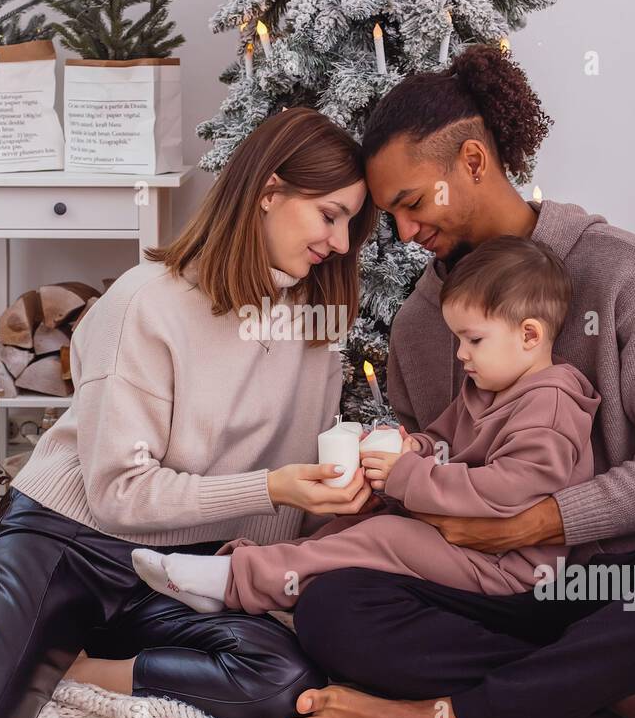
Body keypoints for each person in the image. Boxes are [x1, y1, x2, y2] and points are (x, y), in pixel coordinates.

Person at [0, 107, 377, 718]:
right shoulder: (149, 302)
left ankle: (68, 666)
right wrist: (274, 486)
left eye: (352, 224)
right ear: (270, 193)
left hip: (183, 566)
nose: (342, 243)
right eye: (330, 215)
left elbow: (278, 510)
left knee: (283, 684)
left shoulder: (316, 336)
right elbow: (118, 494)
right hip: (70, 543)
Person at [286, 43, 635, 718]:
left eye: (412, 203)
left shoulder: (623, 272)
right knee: (332, 608)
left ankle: (445, 716)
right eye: (390, 215)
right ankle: (601, 684)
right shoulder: (421, 328)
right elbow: (427, 477)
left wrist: (538, 522)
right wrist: (376, 488)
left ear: (473, 163)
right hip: (494, 592)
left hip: (614, 582)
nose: (402, 234)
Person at [133, 237, 601, 611]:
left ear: (530, 335)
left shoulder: (552, 406)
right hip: (460, 540)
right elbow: (441, 443)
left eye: (473, 339)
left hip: (507, 567)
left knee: (385, 537)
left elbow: (508, 492)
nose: (461, 354)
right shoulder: (486, 389)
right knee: (353, 527)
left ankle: (237, 579)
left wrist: (409, 474)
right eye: (459, 338)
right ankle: (238, 575)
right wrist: (411, 449)